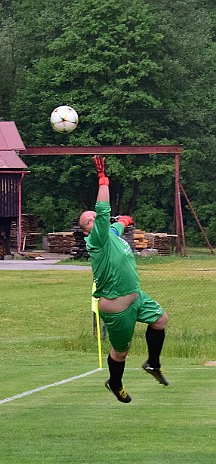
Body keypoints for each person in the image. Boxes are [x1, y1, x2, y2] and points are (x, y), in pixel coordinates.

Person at [79, 155, 169, 403]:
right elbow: (103, 211)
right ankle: (115, 382)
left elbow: (115, 225)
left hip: (136, 296)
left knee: (160, 320)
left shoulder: (109, 233)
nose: (95, 219)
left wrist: (123, 220)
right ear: (88, 229)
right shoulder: (96, 240)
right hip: (117, 307)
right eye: (90, 220)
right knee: (121, 352)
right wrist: (103, 181)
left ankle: (153, 363)